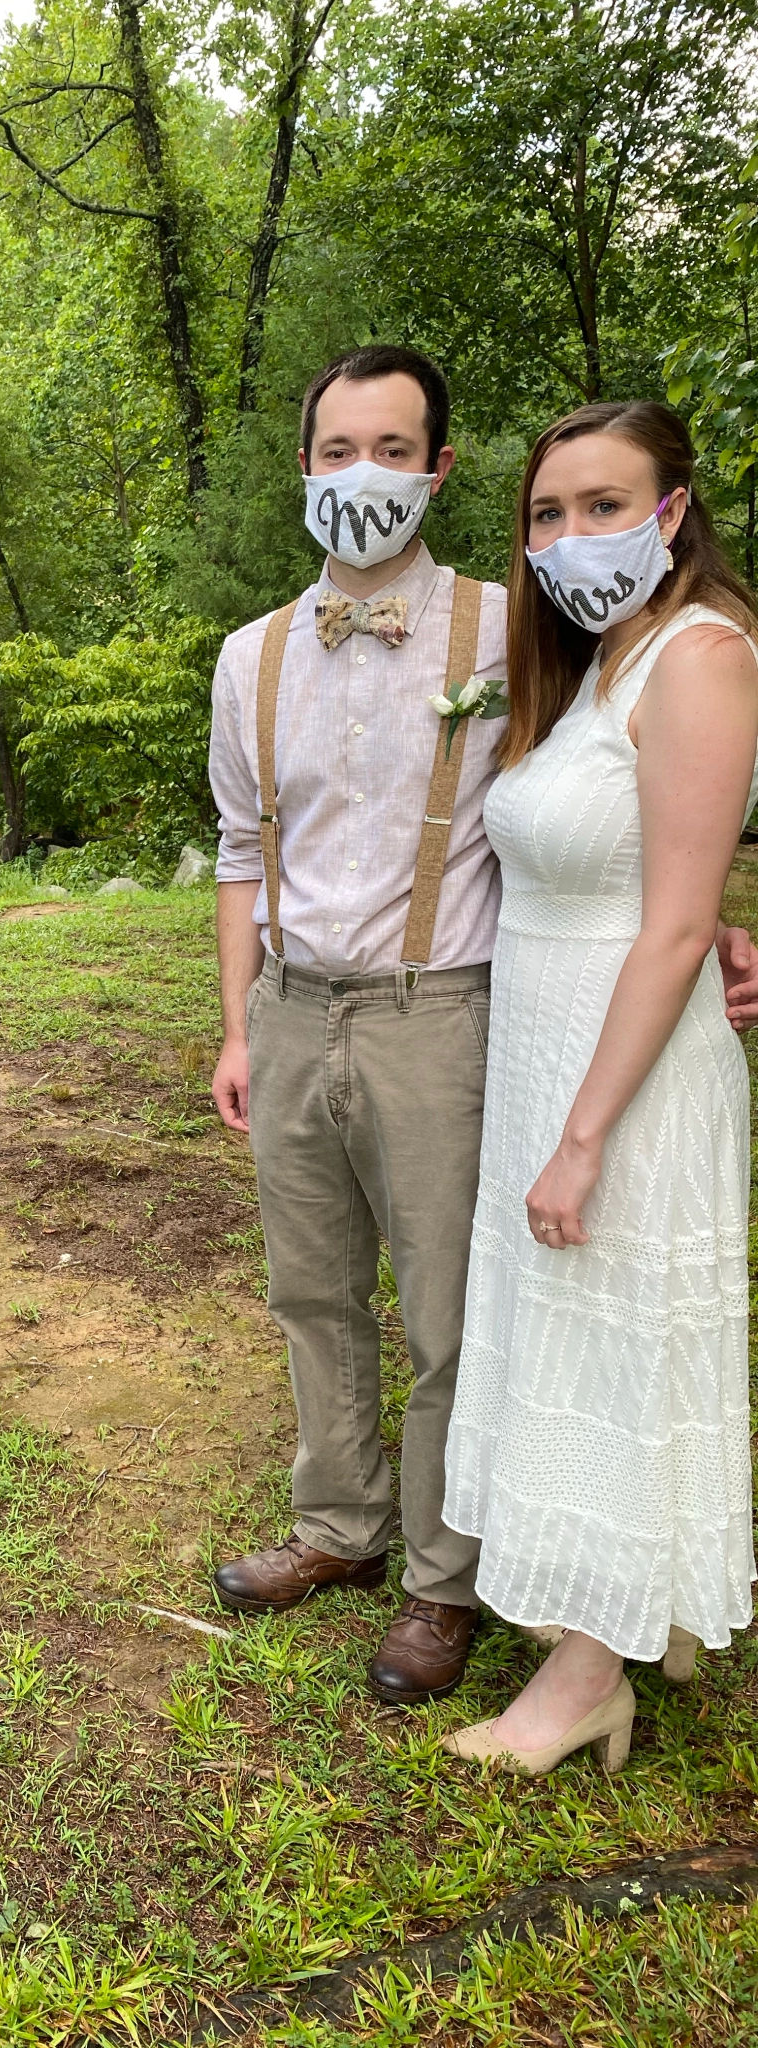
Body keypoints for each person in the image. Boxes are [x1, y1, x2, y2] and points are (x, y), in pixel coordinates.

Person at [440, 402, 758, 1774]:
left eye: (605, 505)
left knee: (615, 1339)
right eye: (549, 514)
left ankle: (586, 1681)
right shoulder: (598, 663)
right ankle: (627, 1611)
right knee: (573, 1330)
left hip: (620, 1071)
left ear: (673, 513)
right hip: (548, 1034)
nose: (573, 537)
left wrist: (583, 1136)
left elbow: (679, 920)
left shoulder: (700, 655)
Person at [206, 345, 509, 1704]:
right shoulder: (249, 655)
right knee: (312, 1290)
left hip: (439, 1013)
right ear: (305, 472)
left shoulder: (509, 634)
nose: (364, 475)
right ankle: (340, 1527)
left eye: (394, 448)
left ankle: (445, 1580)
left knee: (445, 1309)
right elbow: (238, 852)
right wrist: (236, 1028)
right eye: (339, 451)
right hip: (291, 1008)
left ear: (439, 468)